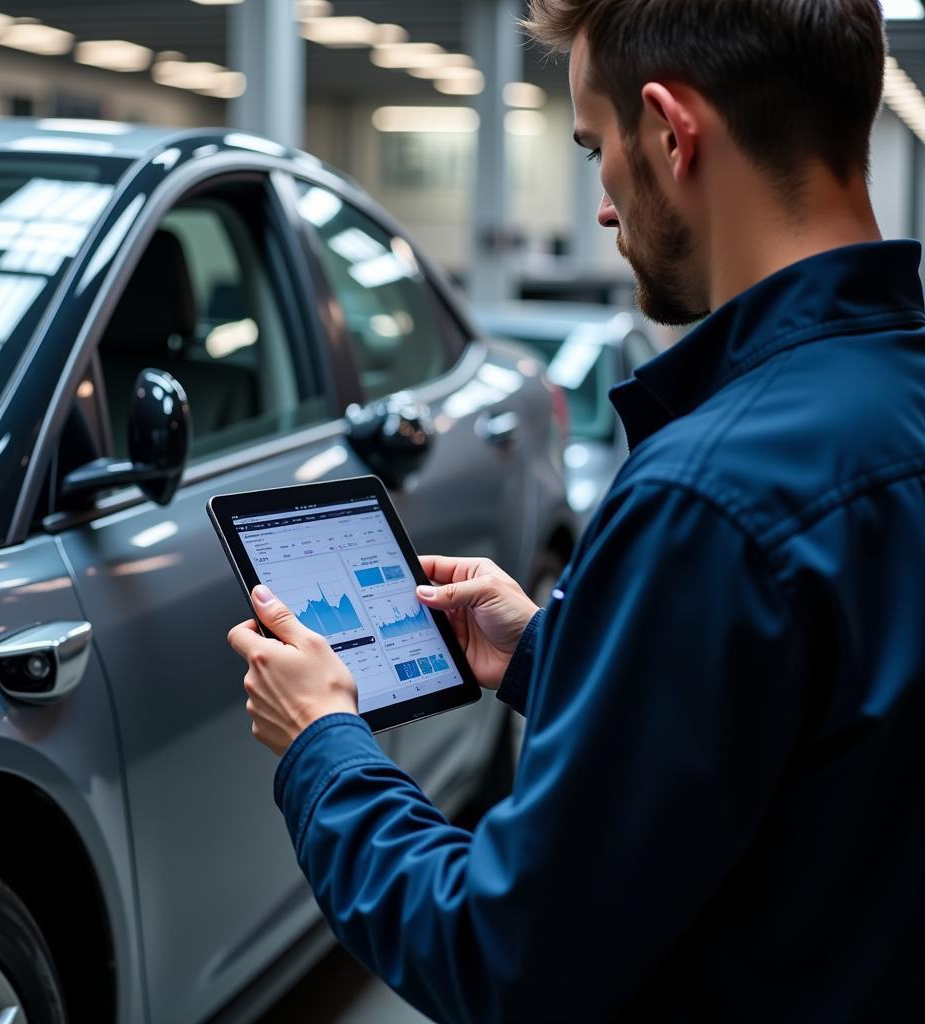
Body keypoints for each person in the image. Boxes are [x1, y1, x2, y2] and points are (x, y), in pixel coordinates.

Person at [228, 0, 925, 1018]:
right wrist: (549, 656)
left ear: (671, 131)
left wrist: (323, 741)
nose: (602, 204)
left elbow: (507, 959)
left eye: (596, 147)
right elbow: (819, 747)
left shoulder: (707, 497)